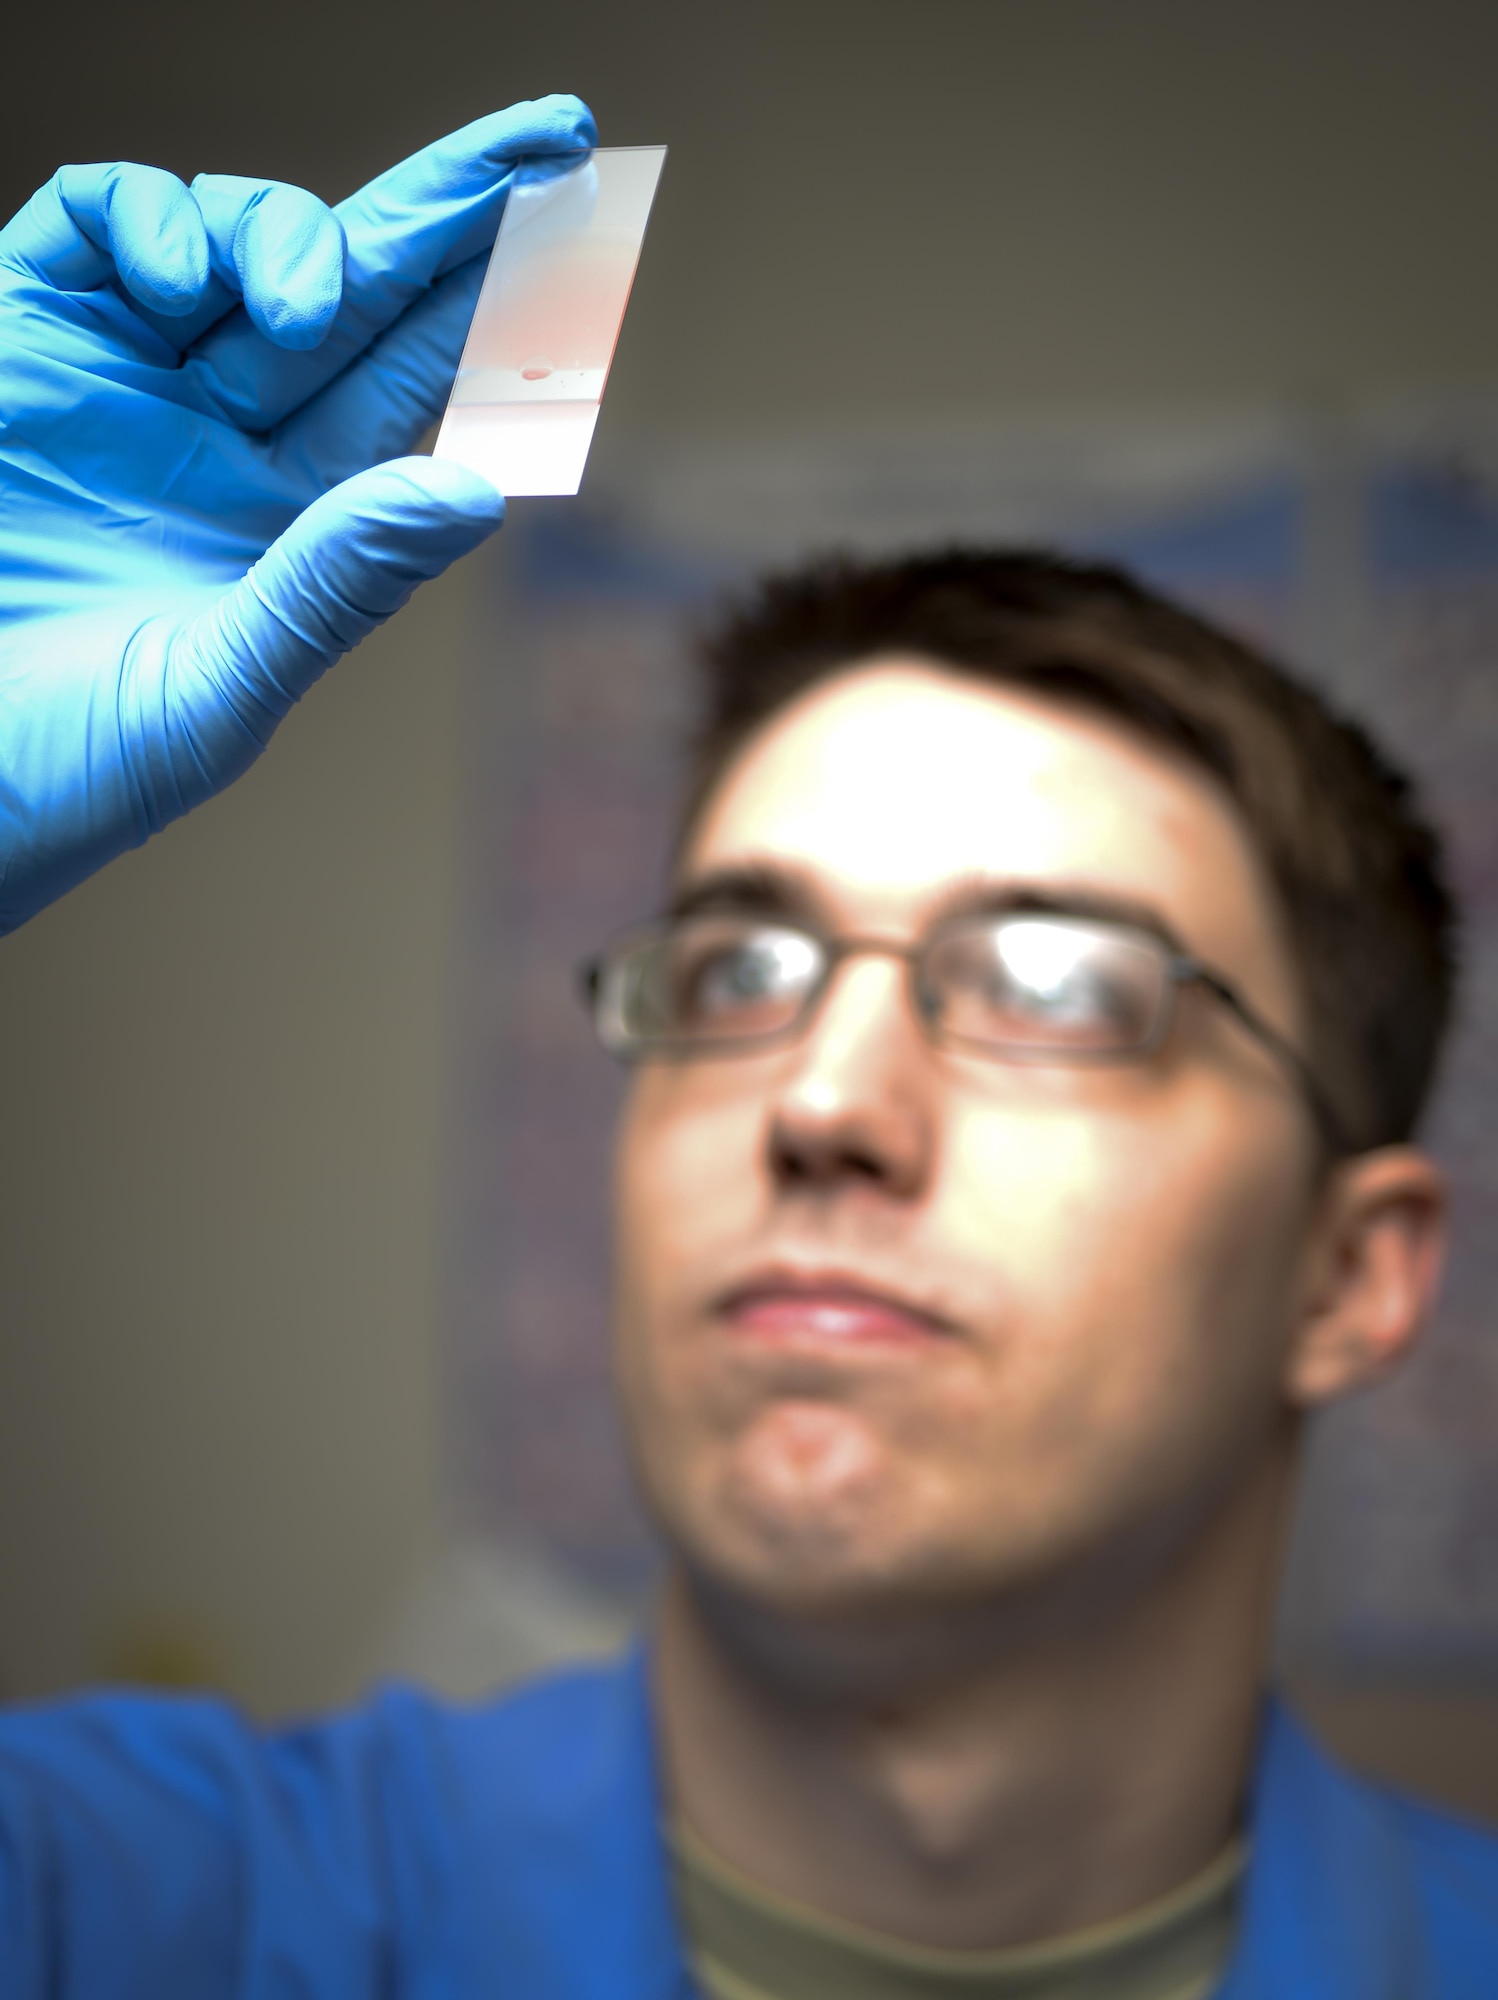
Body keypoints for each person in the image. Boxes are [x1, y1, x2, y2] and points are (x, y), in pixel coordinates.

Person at [0, 96, 1494, 2000]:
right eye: (735, 971)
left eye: (1051, 983)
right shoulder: (123, 1915)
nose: (820, 1103)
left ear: (1349, 1274)